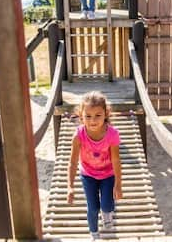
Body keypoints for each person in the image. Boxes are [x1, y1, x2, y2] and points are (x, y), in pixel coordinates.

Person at [67, 91, 123, 240]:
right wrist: (70, 186)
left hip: (108, 174)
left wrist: (118, 184)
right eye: (88, 116)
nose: (93, 120)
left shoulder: (112, 134)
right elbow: (72, 162)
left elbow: (116, 160)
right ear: (81, 116)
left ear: (106, 113)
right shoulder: (78, 135)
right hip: (88, 175)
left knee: (106, 205)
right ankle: (94, 234)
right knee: (93, 207)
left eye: (98, 115)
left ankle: (107, 214)